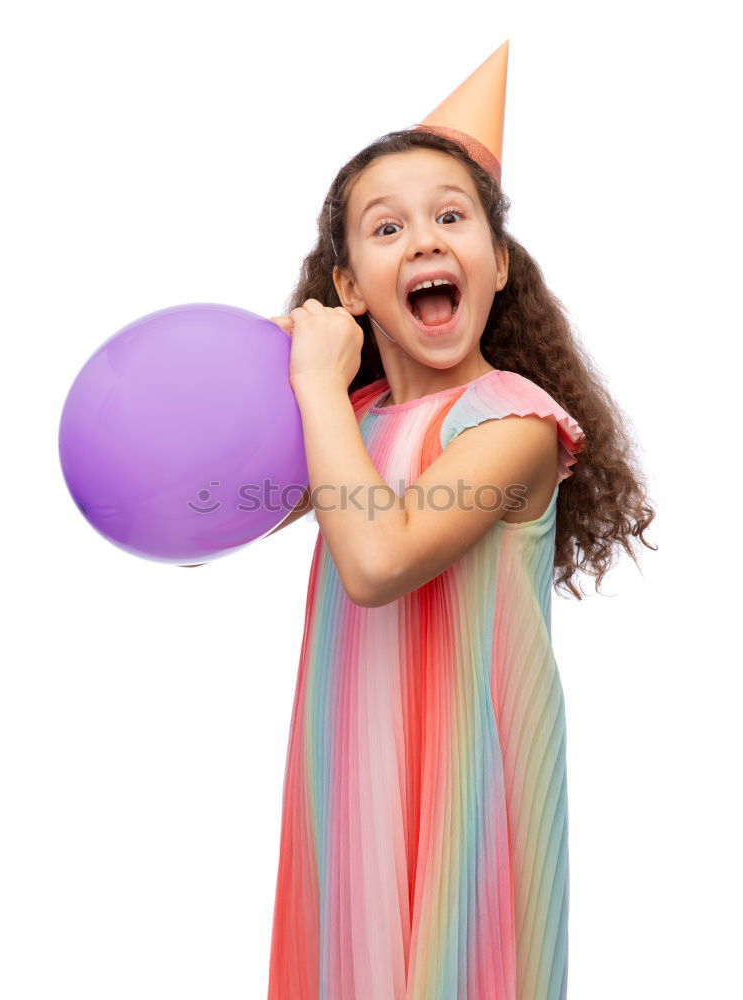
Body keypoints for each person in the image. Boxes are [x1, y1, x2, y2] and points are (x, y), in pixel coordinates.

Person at [265, 44, 656, 1000]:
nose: (427, 240)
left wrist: (316, 383)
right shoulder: (349, 420)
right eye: (387, 227)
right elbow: (196, 511)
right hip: (353, 773)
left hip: (471, 789)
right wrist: (270, 384)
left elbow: (376, 559)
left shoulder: (515, 424)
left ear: (498, 264)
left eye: (451, 216)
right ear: (351, 287)